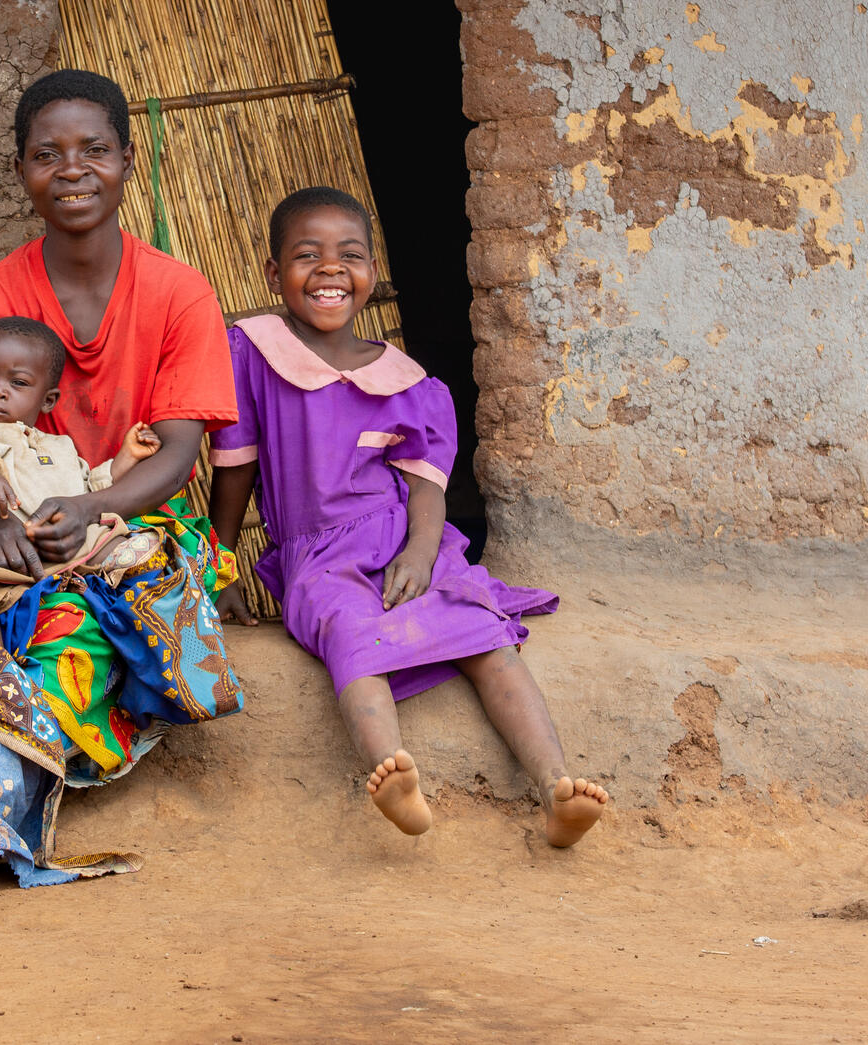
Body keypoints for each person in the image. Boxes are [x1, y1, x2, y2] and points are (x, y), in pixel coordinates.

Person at [0, 69, 243, 897]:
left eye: (94, 150)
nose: (72, 169)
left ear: (126, 161)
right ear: (22, 171)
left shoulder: (179, 292)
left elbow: (178, 452)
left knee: (70, 631)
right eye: (48, 154)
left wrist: (91, 506)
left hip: (126, 510)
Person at [206, 186, 609, 847]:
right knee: (350, 632)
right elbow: (236, 467)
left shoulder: (406, 378)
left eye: (351, 255)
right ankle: (394, 774)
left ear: (373, 270)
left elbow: (425, 487)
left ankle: (555, 786)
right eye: (308, 255)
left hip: (402, 538)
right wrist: (217, 570)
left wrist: (423, 552)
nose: (332, 268)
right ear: (274, 274)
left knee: (487, 636)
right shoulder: (253, 350)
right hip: (320, 556)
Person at [0, 314, 163, 622]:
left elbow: (87, 488)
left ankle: (142, 610)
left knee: (129, 541)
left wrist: (127, 457)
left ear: (48, 400)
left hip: (58, 549)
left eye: (18, 383)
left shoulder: (60, 446)